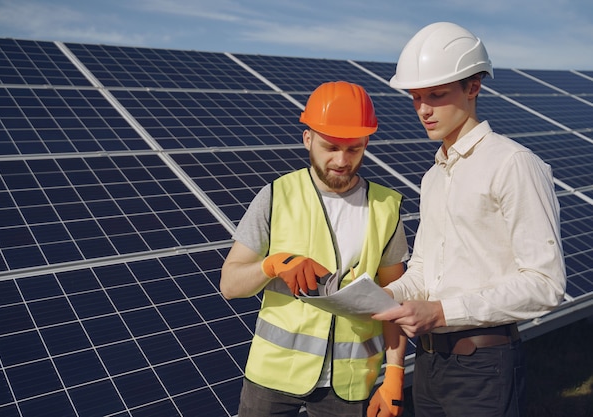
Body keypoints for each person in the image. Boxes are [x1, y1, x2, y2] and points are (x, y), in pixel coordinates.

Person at [371, 22, 567, 417]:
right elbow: (426, 270)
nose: (423, 109)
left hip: (484, 369)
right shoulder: (434, 176)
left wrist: (443, 312)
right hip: (426, 367)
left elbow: (546, 284)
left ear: (473, 87)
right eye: (415, 97)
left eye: (437, 95)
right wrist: (384, 296)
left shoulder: (513, 164)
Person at [220, 80, 410, 417]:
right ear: (307, 137)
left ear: (367, 141)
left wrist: (394, 373)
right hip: (273, 377)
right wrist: (271, 265)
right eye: (330, 147)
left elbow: (395, 298)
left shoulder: (386, 207)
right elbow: (230, 286)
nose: (341, 160)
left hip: (352, 382)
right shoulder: (277, 196)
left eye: (354, 149)